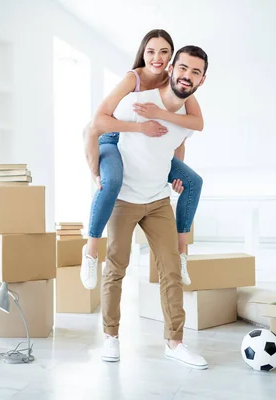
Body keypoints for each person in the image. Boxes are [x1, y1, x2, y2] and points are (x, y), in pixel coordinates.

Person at [98, 45, 210, 369]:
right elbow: (100, 128)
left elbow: (179, 143)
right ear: (172, 67)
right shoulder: (137, 102)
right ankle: (110, 336)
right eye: (184, 68)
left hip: (158, 200)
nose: (187, 76)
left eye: (196, 72)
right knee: (116, 268)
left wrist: (175, 176)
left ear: (202, 79)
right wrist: (98, 171)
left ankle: (174, 343)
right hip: (124, 199)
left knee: (171, 272)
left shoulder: (188, 119)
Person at [80, 29, 204, 290]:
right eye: (150, 51)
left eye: (163, 52)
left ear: (171, 60)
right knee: (111, 181)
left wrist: (175, 170)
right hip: (114, 138)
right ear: (142, 53)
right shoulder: (133, 78)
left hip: (148, 148)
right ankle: (91, 249)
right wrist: (140, 128)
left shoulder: (177, 82)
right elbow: (98, 121)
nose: (156, 58)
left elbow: (190, 128)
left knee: (193, 181)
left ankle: (182, 253)